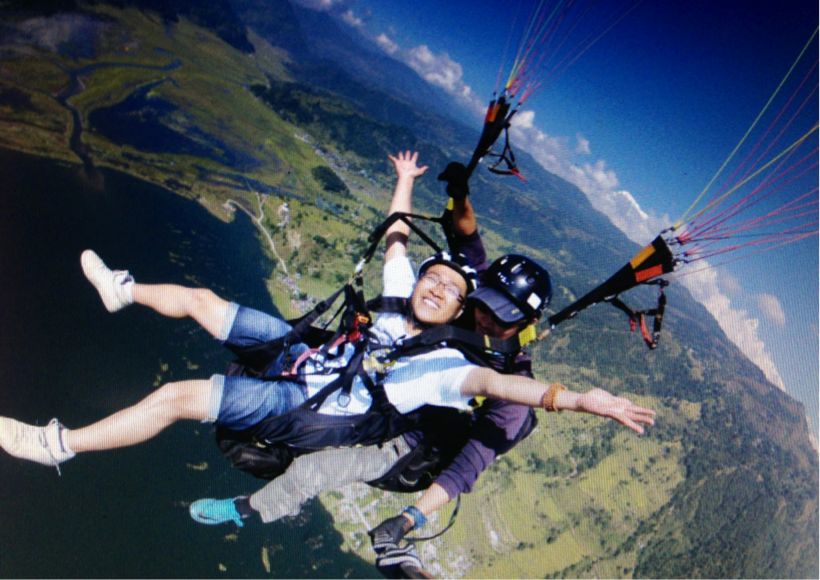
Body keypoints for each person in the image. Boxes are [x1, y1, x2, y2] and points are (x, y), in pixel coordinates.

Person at [0, 153, 654, 510]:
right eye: (434, 280)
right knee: (202, 300)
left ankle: (59, 444)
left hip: (305, 402)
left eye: (450, 292)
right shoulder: (403, 296)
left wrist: (580, 400)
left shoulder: (444, 369)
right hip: (304, 354)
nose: (435, 288)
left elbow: (500, 385)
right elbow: (397, 238)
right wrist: (404, 181)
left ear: (461, 311)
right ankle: (123, 291)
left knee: (178, 397)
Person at [187, 163, 554, 537]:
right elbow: (465, 235)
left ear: (527, 323)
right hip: (382, 377)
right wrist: (459, 193)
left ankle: (245, 508)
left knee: (313, 471)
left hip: (409, 438)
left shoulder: (512, 387)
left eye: (501, 316)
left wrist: (410, 519)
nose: (485, 318)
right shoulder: (474, 290)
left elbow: (468, 465)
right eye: (484, 304)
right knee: (292, 345)